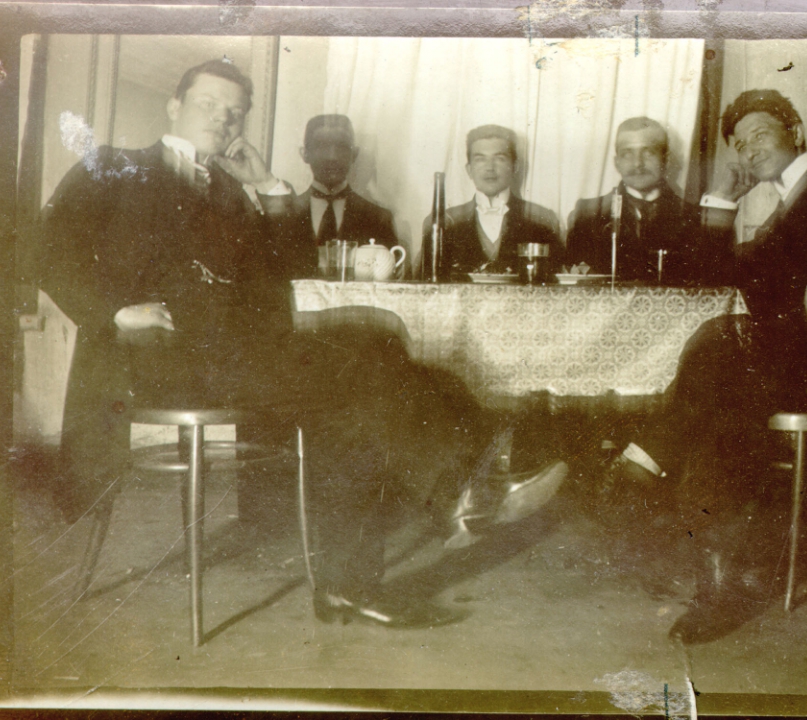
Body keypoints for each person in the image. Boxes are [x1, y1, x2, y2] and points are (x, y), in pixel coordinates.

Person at [40, 59, 566, 629]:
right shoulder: (114, 166)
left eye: (234, 112)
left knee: (374, 363)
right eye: (208, 104)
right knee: (364, 371)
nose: (221, 119)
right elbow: (40, 246)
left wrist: (270, 188)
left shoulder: (232, 191)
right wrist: (115, 310)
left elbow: (288, 275)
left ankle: (352, 585)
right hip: (151, 359)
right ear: (175, 105)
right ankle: (462, 493)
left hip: (232, 357)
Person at [601, 89, 807, 643]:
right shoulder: (782, 210)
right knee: (721, 376)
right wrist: (724, 200)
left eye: (761, 135)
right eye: (740, 145)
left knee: (722, 344)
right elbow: (712, 276)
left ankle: (647, 461)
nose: (750, 150)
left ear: (795, 132)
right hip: (784, 366)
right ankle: (718, 579)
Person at [565, 117, 729, 285]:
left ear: (666, 160)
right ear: (617, 163)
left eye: (648, 152)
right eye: (627, 154)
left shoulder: (694, 217)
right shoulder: (588, 215)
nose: (638, 163)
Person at [260, 114, 398, 279]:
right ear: (305, 154)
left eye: (342, 146)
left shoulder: (379, 219)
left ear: (354, 154)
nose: (332, 157)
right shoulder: (284, 215)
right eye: (321, 146)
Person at [423, 124, 561, 280]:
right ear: (469, 170)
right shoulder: (444, 221)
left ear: (515, 167)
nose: (490, 168)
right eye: (480, 159)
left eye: (500, 158)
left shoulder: (542, 219)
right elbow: (422, 282)